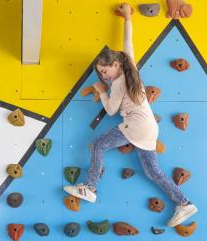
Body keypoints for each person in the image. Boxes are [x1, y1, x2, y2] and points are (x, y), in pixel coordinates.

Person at [63, 3, 197, 227]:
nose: (104, 76)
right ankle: (184, 203)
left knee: (98, 145)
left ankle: (90, 187)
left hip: (135, 126)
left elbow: (112, 111)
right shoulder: (131, 69)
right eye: (102, 75)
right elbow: (128, 43)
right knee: (153, 172)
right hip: (150, 129)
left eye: (105, 72)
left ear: (115, 65)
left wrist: (102, 91)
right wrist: (127, 17)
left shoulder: (116, 84)